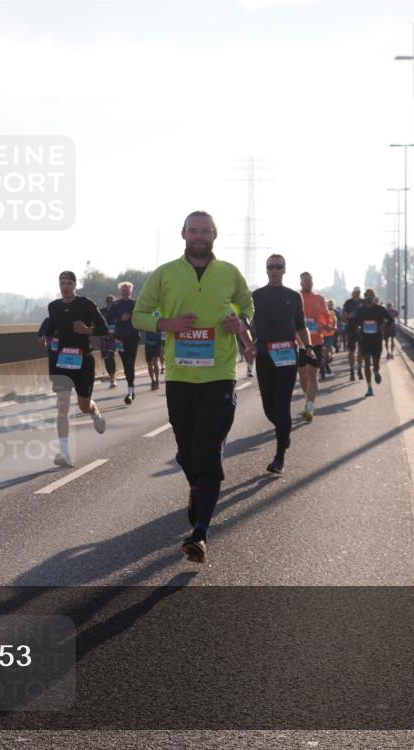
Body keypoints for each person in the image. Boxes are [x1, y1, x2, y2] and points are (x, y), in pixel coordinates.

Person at [133, 211, 253, 564]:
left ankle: (200, 530)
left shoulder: (229, 273)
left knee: (209, 449)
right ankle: (197, 490)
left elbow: (247, 305)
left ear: (215, 234)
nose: (199, 236)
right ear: (183, 233)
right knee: (187, 453)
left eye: (206, 231)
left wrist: (241, 320)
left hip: (219, 374)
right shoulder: (166, 274)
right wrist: (166, 323)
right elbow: (139, 314)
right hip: (180, 378)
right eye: (194, 231)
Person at [250, 255, 314, 475]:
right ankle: (283, 433)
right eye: (271, 266)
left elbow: (301, 326)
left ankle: (279, 458)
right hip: (264, 354)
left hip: (287, 353)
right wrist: (248, 345)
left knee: (282, 403)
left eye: (278, 267)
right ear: (266, 270)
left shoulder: (293, 296)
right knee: (269, 406)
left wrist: (309, 347)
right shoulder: (256, 296)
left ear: (284, 270)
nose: (275, 270)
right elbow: (248, 325)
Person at [46, 271, 109, 467]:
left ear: (75, 285)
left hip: (82, 361)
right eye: (62, 283)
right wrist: (44, 338)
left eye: (68, 283)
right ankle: (65, 452)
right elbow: (51, 329)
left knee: (83, 405)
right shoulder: (54, 306)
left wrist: (87, 330)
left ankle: (94, 412)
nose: (65, 287)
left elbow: (104, 328)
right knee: (63, 404)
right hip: (61, 361)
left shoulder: (86, 304)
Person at [298, 272, 330, 421]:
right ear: (301, 283)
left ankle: (310, 407)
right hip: (299, 342)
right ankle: (307, 400)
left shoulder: (320, 299)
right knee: (303, 375)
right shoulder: (296, 297)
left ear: (312, 282)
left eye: (309, 280)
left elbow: (325, 317)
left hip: (316, 341)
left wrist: (326, 326)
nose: (307, 283)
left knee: (312, 374)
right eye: (305, 281)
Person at [354, 289, 390, 397]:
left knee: (376, 363)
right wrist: (359, 328)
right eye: (367, 295)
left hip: (376, 339)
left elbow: (391, 320)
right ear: (364, 297)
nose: (369, 297)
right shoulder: (360, 310)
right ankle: (369, 387)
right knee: (366, 363)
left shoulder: (380, 309)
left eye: (372, 295)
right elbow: (356, 324)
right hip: (364, 339)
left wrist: (383, 327)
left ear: (374, 297)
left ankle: (376, 371)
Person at [110, 282, 141, 404]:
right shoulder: (115, 304)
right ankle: (131, 389)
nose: (125, 291)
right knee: (125, 363)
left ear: (131, 291)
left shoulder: (135, 304)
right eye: (123, 289)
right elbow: (109, 319)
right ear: (120, 291)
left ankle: (130, 390)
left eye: (127, 290)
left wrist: (133, 318)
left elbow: (141, 317)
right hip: (120, 338)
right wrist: (119, 319)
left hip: (133, 336)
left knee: (130, 363)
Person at [342, 287, 364, 381]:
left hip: (362, 329)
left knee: (361, 350)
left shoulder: (364, 302)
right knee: (351, 351)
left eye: (358, 292)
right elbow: (343, 315)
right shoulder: (348, 302)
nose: (357, 294)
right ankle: (352, 371)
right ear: (353, 293)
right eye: (355, 292)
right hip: (351, 328)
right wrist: (350, 315)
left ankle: (359, 368)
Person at [98, 295, 117, 388]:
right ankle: (111, 378)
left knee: (111, 356)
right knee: (106, 358)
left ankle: (113, 379)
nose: (110, 303)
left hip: (114, 337)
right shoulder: (101, 312)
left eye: (111, 302)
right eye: (108, 302)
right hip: (104, 337)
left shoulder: (117, 311)